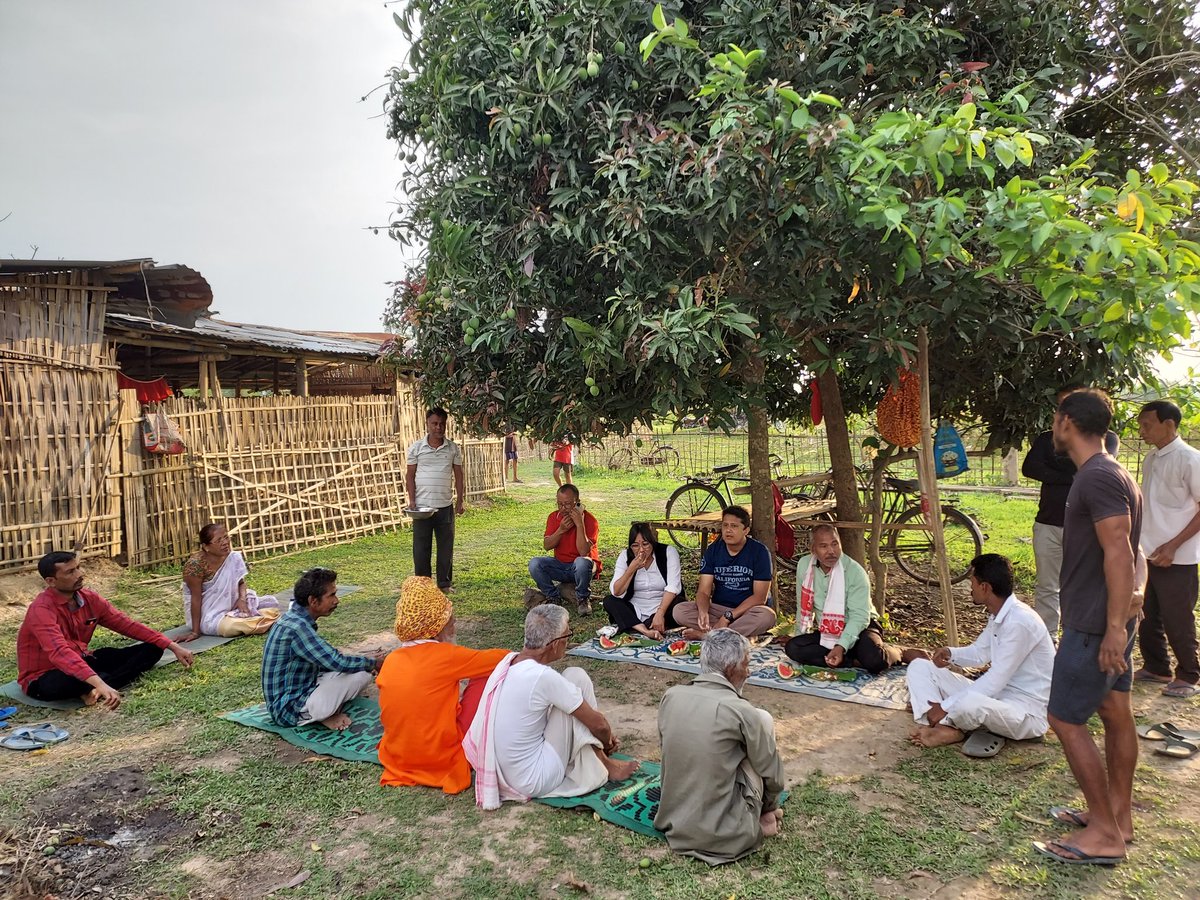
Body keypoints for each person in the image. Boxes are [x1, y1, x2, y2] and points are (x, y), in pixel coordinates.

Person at [1034, 388, 1141, 867]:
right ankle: (1118, 816)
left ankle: (1104, 833)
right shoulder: (1114, 473)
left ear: (1068, 422)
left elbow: (1120, 549)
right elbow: (1135, 551)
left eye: (1055, 418)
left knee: (1064, 719)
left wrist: (1114, 627)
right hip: (1110, 618)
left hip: (1095, 624)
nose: (1053, 427)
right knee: (1115, 711)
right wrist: (1133, 601)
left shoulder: (1096, 476)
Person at [462, 604, 639, 809]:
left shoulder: (510, 663)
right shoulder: (541, 676)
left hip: (508, 775)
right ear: (554, 644)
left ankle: (598, 759)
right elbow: (598, 724)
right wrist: (607, 743)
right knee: (576, 677)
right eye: (567, 635)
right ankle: (603, 763)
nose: (568, 640)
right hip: (535, 779)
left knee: (569, 696)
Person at [655, 629, 786, 865]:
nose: (749, 672)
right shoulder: (742, 711)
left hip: (674, 822)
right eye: (746, 664)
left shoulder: (671, 696)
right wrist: (769, 807)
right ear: (731, 668)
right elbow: (772, 775)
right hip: (726, 835)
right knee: (763, 721)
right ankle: (760, 819)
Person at [907, 554, 1055, 750]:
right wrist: (951, 654)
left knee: (969, 703)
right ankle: (945, 722)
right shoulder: (999, 614)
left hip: (1026, 711)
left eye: (972, 582)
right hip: (996, 697)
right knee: (920, 667)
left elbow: (995, 680)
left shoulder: (1020, 621)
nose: (970, 588)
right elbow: (979, 654)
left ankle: (945, 721)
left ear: (985, 587)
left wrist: (945, 706)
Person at [377, 577, 508, 794]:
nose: (454, 624)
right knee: (487, 675)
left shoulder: (392, 659)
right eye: (449, 619)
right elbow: (502, 658)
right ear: (436, 627)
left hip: (398, 758)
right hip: (442, 759)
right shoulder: (445, 655)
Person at [17, 551, 195, 709]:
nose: (80, 574)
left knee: (153, 649)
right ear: (51, 581)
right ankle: (99, 683)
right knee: (71, 681)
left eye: (78, 568)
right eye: (70, 572)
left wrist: (172, 646)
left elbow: (126, 624)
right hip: (45, 675)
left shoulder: (90, 599)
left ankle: (94, 687)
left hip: (82, 659)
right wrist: (99, 681)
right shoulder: (41, 609)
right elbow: (60, 653)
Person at [1021, 388, 1120, 636]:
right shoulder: (1046, 438)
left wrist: (1054, 471)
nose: (1061, 417)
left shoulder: (1107, 440)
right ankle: (1047, 639)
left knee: (1082, 585)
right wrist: (1070, 475)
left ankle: (1077, 638)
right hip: (1048, 522)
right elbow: (1030, 467)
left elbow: (1089, 467)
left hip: (1085, 527)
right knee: (1047, 586)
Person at [261, 567, 382, 730]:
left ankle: (322, 710)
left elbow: (327, 659)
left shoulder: (293, 619)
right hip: (288, 710)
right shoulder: (297, 628)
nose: (336, 601)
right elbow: (337, 662)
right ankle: (316, 715)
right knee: (362, 674)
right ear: (313, 601)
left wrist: (364, 660)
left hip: (302, 688)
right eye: (331, 595)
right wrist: (374, 663)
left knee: (357, 669)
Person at [1134, 400, 1200, 698]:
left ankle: (1189, 674)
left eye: (1147, 425)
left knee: (1178, 618)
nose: (1141, 431)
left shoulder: (1190, 460)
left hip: (1178, 556)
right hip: (1148, 551)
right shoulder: (1151, 458)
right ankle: (1157, 666)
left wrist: (1173, 546)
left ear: (1169, 424)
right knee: (1147, 614)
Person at [783, 524, 901, 673]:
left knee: (875, 661)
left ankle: (899, 652)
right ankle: (853, 659)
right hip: (828, 629)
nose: (831, 551)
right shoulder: (805, 565)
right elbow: (803, 606)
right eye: (823, 546)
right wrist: (799, 636)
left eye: (835, 544)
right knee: (793, 647)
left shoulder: (855, 572)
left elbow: (860, 617)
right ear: (813, 549)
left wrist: (841, 645)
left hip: (861, 626)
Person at [674, 506, 776, 638]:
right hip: (719, 608)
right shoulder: (713, 550)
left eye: (734, 526)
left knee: (767, 616)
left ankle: (709, 636)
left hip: (747, 611)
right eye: (725, 525)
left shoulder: (759, 552)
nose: (728, 530)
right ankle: (730, 634)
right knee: (679, 611)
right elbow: (703, 591)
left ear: (746, 530)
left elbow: (760, 598)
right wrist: (703, 612)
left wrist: (727, 617)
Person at [180, 523, 280, 640]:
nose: (225, 542)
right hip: (209, 613)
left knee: (271, 603)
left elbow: (241, 583)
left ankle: (253, 620)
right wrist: (195, 632)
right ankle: (259, 621)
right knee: (229, 627)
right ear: (206, 546)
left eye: (226, 537)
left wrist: (241, 600)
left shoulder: (233, 557)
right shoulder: (195, 565)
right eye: (219, 540)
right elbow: (195, 598)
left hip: (233, 603)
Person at [405, 407, 465, 591]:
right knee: (421, 549)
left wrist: (460, 501)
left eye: (442, 424)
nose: (438, 427)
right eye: (435, 423)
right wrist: (412, 501)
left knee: (446, 548)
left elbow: (459, 475)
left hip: (445, 505)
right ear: (427, 424)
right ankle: (423, 586)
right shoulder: (416, 448)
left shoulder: (452, 448)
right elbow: (409, 476)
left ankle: (444, 584)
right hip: (422, 508)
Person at [526, 484, 601, 615]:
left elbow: (583, 552)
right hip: (561, 565)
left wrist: (579, 524)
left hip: (584, 567)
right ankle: (553, 596)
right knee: (534, 563)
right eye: (559, 504)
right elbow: (547, 545)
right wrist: (561, 530)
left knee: (582, 562)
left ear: (577, 503)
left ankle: (583, 598)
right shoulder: (554, 517)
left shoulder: (590, 520)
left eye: (567, 504)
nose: (563, 508)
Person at [602, 523, 684, 639]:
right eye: (635, 546)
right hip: (635, 609)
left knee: (679, 603)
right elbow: (616, 591)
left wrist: (660, 613)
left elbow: (673, 587)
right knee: (609, 601)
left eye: (645, 544)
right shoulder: (625, 556)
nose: (641, 550)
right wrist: (632, 568)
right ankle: (644, 630)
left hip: (663, 607)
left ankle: (633, 626)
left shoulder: (668, 552)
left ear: (652, 543)